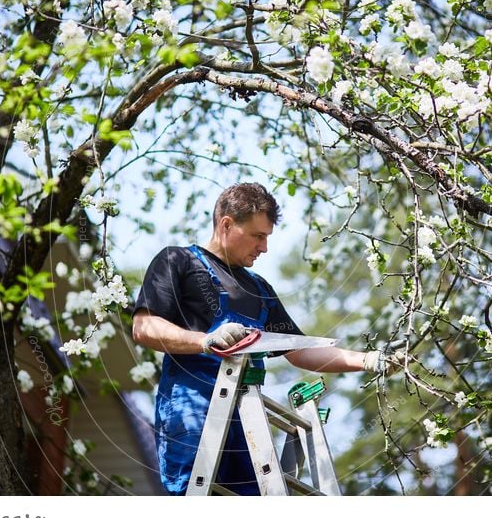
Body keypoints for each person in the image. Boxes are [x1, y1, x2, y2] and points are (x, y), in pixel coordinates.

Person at [132, 182, 401, 495]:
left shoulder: (259, 289)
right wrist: (205, 341)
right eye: (258, 236)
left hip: (247, 418)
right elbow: (144, 326)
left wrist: (368, 360)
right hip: (193, 411)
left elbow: (299, 351)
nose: (264, 248)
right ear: (226, 224)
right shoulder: (177, 262)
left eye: (267, 238)